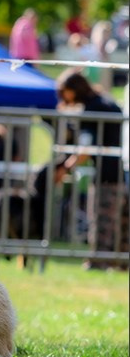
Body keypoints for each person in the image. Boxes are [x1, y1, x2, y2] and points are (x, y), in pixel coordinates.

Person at [56, 70, 127, 270]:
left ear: (72, 90)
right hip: (120, 172)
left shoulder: (93, 108)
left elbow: (87, 147)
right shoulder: (105, 101)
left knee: (101, 220)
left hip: (106, 176)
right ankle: (121, 263)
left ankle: (98, 262)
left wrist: (66, 167)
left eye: (64, 93)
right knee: (121, 223)